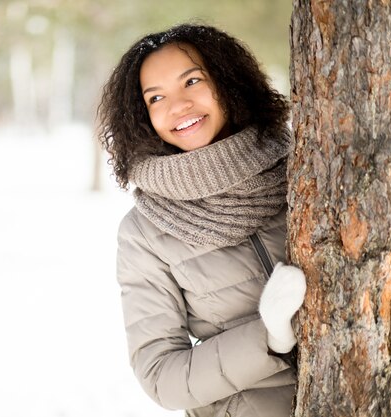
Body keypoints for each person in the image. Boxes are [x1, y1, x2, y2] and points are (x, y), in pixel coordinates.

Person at [97, 23, 307, 417]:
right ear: (143, 116)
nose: (178, 106)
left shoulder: (303, 167)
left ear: (227, 81)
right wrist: (270, 337)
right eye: (156, 97)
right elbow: (161, 375)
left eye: (192, 81)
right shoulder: (144, 233)